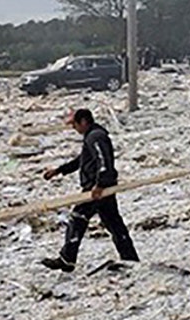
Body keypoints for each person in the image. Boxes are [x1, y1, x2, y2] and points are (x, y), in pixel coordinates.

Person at [40, 108, 139, 271]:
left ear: (84, 121)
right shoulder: (92, 136)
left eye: (75, 124)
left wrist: (99, 184)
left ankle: (67, 259)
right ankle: (130, 259)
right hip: (102, 187)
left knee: (77, 218)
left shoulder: (96, 137)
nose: (74, 128)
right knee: (114, 224)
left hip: (97, 189)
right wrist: (59, 170)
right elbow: (83, 160)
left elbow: (104, 161)